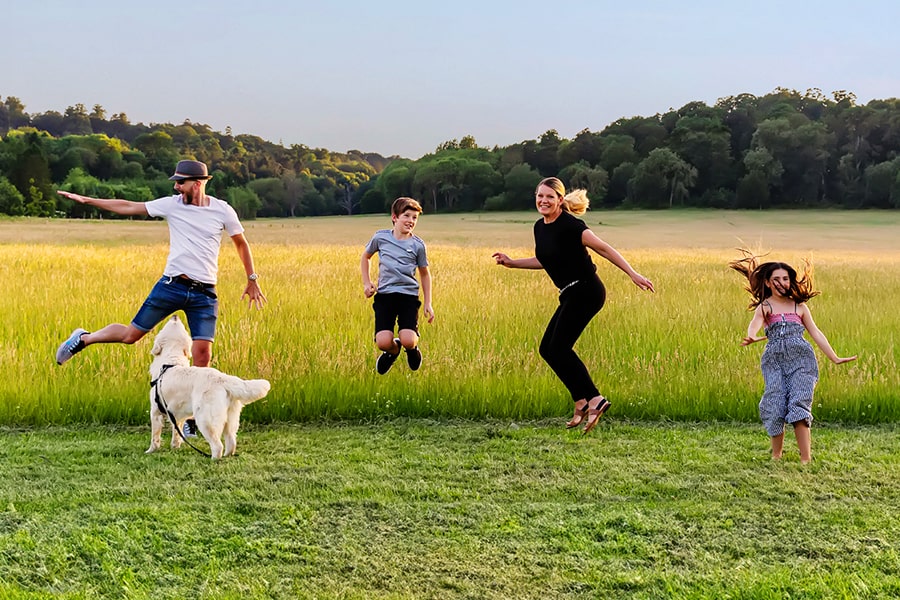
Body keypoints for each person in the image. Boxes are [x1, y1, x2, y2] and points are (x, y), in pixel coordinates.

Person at [55, 160, 266, 434]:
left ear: (198, 183)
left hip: (204, 293)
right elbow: (129, 206)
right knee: (131, 335)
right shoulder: (172, 204)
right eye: (176, 182)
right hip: (171, 286)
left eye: (181, 182)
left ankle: (191, 421)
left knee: (203, 356)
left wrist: (252, 279)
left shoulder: (222, 210)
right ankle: (83, 338)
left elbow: (241, 243)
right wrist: (88, 200)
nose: (176, 186)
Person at [492, 177, 655, 434]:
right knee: (548, 348)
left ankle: (594, 399)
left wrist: (632, 274)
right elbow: (547, 260)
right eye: (540, 196)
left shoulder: (571, 225)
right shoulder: (540, 227)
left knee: (559, 347)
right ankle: (580, 400)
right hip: (569, 293)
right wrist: (512, 263)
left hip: (587, 290)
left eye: (550, 197)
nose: (543, 201)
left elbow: (603, 248)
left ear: (559, 200)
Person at [730, 251, 856, 464]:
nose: (782, 283)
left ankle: (805, 459)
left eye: (786, 278)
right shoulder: (766, 306)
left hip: (802, 360)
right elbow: (755, 323)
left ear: (791, 281)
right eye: (776, 279)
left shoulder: (799, 306)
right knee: (775, 403)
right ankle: (776, 455)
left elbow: (816, 333)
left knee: (799, 403)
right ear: (768, 283)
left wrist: (834, 357)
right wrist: (751, 335)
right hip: (775, 361)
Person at [361, 197, 434, 375]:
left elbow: (424, 274)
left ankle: (411, 349)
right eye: (407, 215)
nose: (411, 221)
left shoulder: (418, 245)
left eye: (415, 217)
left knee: (408, 339)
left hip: (408, 297)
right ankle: (393, 351)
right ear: (395, 217)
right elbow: (366, 257)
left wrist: (428, 303)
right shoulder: (381, 237)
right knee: (383, 342)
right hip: (385, 296)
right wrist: (367, 283)